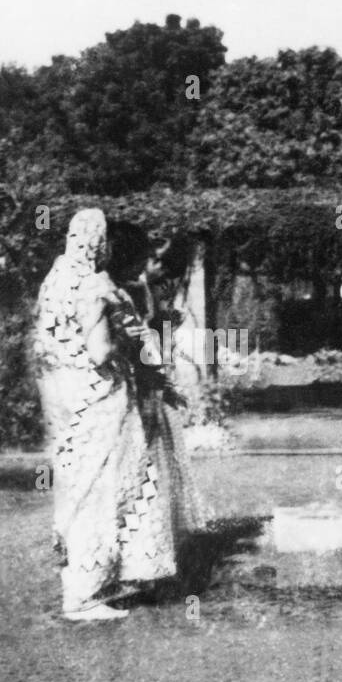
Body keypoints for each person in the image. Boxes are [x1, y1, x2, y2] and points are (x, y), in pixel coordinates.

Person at [32, 209, 176, 622]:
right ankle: (85, 592)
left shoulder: (56, 279)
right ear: (99, 244)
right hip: (101, 399)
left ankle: (90, 582)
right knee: (105, 488)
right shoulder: (95, 285)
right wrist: (127, 341)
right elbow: (99, 352)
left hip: (65, 402)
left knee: (78, 486)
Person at [106, 220, 205, 569]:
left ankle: (156, 547)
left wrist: (164, 327)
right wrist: (158, 380)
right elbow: (140, 347)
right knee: (143, 467)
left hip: (146, 381)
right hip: (137, 386)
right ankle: (140, 554)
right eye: (147, 258)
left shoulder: (134, 289)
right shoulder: (122, 294)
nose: (154, 264)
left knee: (155, 465)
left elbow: (151, 339)